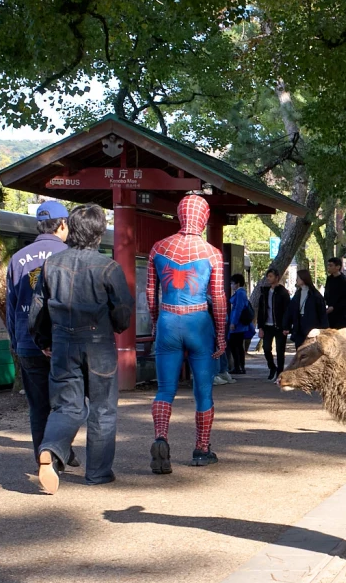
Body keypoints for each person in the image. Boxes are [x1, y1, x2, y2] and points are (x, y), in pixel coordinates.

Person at [29, 203, 133, 492]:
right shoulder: (109, 268)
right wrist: (116, 326)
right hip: (99, 342)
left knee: (67, 406)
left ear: (69, 229)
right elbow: (123, 311)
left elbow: (37, 311)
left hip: (62, 342)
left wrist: (44, 341)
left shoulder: (51, 265)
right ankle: (98, 472)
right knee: (102, 408)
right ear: (99, 233)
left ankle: (50, 447)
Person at [147, 194, 228, 473]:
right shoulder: (212, 253)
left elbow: (150, 292)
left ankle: (160, 437)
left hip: (169, 319)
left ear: (180, 215)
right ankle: (201, 449)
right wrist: (220, 334)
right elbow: (217, 298)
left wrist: (157, 322)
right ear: (203, 218)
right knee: (203, 391)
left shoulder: (159, 248)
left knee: (165, 389)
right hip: (199, 323)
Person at [5, 200, 76, 467]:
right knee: (69, 403)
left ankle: (44, 458)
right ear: (62, 224)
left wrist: (16, 341)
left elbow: (12, 306)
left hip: (27, 342)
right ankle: (61, 449)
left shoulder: (17, 259)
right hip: (64, 342)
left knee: (38, 407)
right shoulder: (70, 255)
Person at [256, 269, 290, 379]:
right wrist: (260, 327)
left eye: (271, 276)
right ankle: (272, 367)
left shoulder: (283, 292)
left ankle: (280, 372)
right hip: (267, 326)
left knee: (280, 351)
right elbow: (261, 311)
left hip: (279, 326)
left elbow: (287, 311)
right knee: (266, 348)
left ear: (277, 277)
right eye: (268, 276)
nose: (268, 278)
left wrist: (286, 326)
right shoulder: (265, 292)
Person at [285, 266, 329, 346]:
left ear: (303, 278)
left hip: (311, 325)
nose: (296, 280)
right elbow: (291, 310)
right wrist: (286, 326)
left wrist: (324, 329)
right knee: (299, 349)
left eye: (298, 278)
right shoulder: (297, 294)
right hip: (299, 326)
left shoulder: (315, 295)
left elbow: (322, 313)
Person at [323, 256, 346, 335]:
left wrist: (334, 307)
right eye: (328, 265)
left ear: (337, 267)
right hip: (330, 313)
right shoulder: (329, 279)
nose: (328, 267)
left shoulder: (343, 281)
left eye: (331, 265)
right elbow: (326, 294)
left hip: (341, 314)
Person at [227, 273, 254, 373]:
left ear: (237, 284)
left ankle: (238, 367)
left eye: (232, 283)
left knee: (235, 345)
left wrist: (233, 322)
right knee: (238, 345)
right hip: (240, 325)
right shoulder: (242, 293)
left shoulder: (240, 293)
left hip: (238, 325)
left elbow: (238, 309)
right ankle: (240, 366)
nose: (231, 285)